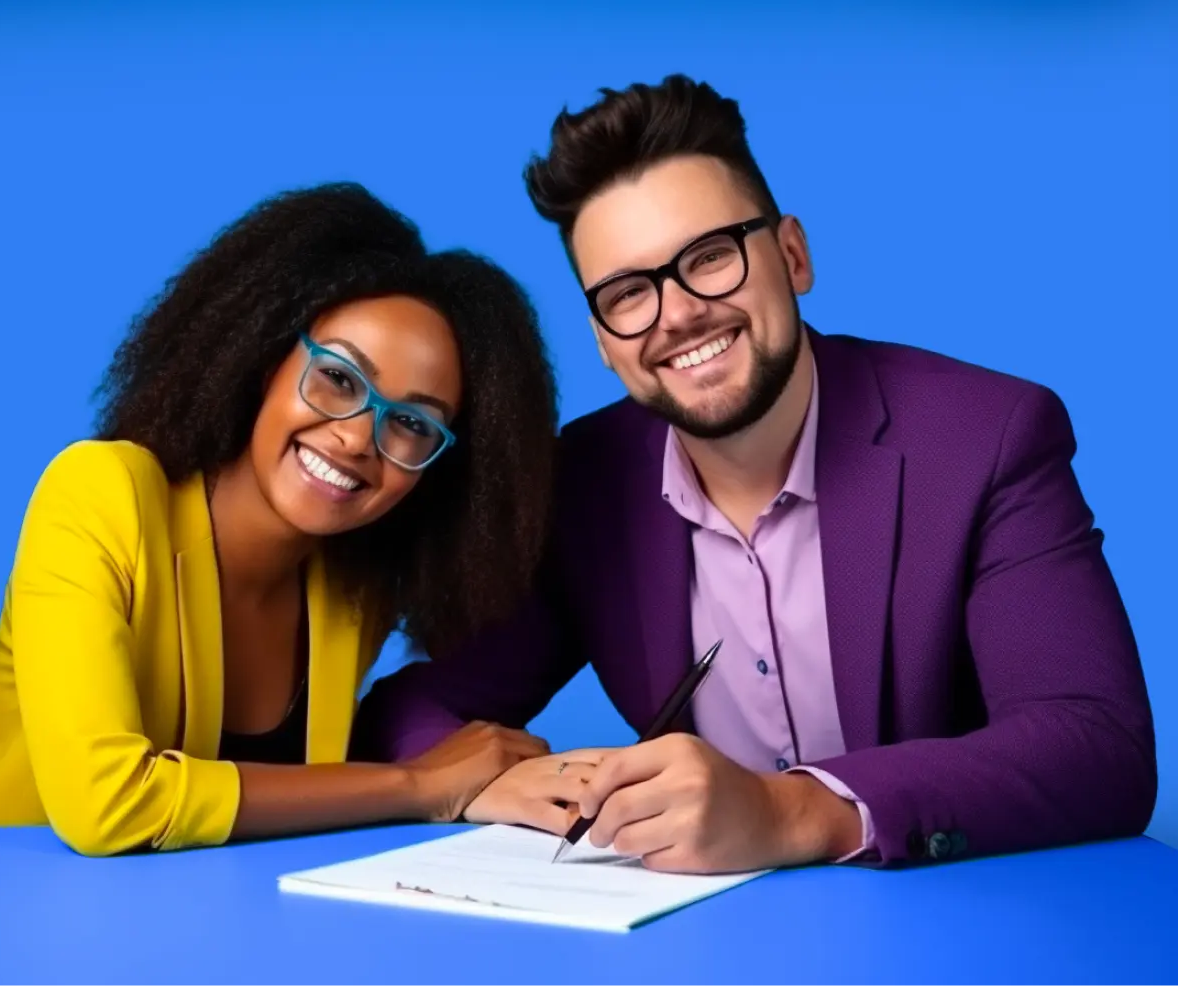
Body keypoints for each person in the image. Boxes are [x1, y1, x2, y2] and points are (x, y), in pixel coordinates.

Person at [354, 76, 1158, 872]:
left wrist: (792, 810)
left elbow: (1097, 742)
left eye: (709, 258)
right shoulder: (584, 483)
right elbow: (415, 709)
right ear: (602, 341)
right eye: (627, 294)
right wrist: (489, 781)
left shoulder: (985, 438)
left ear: (792, 256)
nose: (675, 314)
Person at [0, 182, 569, 856]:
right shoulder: (99, 493)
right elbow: (107, 805)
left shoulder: (352, 593)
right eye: (339, 379)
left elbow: (296, 807)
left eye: (408, 423)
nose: (355, 438)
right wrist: (417, 785)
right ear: (266, 359)